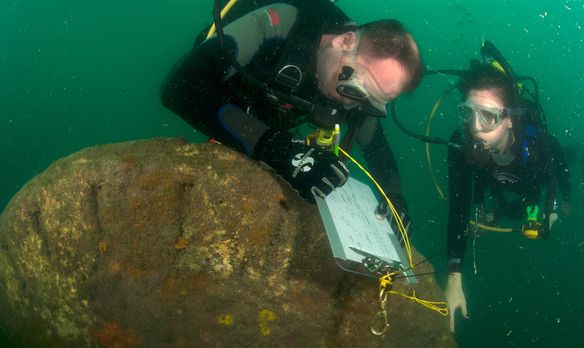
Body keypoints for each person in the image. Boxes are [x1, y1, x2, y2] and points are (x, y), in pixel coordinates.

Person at [161, 0, 423, 237]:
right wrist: (278, 149)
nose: (351, 104)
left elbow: (375, 144)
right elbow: (179, 86)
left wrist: (395, 199)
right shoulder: (280, 25)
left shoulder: (358, 85)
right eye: (354, 89)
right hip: (227, 88)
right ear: (344, 41)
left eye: (371, 104)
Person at [445, 62, 571, 333]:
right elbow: (458, 210)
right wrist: (454, 276)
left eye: (488, 116)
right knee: (505, 207)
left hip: (532, 179)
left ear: (510, 118)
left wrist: (560, 205)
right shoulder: (461, 143)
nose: (475, 127)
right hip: (496, 184)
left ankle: (581, 152)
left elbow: (558, 171)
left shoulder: (538, 146)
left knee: (564, 160)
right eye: (467, 112)